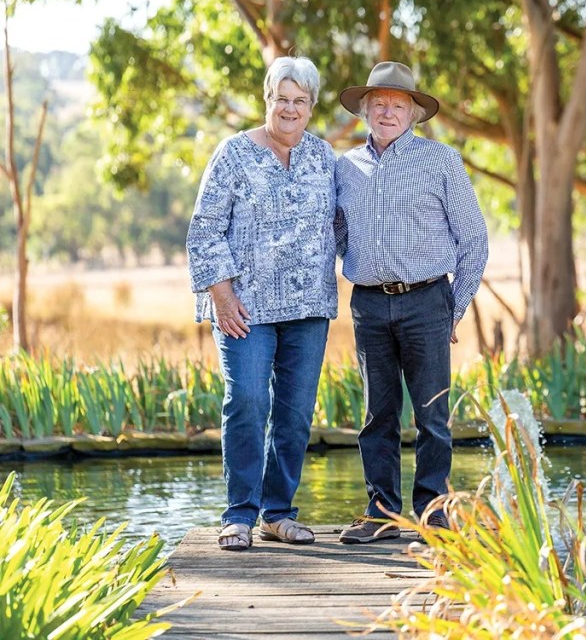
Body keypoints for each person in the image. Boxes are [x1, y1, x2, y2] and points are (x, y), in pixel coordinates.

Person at [186, 56, 338, 551]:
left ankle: (278, 513)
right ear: (267, 100)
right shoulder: (233, 154)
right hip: (244, 309)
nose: (290, 109)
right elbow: (204, 230)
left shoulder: (323, 158)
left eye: (300, 101)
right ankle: (239, 514)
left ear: (311, 106)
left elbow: (341, 223)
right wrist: (222, 295)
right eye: (282, 99)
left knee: (295, 413)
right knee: (248, 402)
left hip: (309, 308)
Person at [334, 61, 488, 543]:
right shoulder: (345, 168)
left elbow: (474, 241)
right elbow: (338, 233)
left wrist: (454, 308)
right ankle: (381, 513)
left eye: (397, 104)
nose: (386, 112)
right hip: (370, 305)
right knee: (376, 415)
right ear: (364, 110)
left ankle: (433, 513)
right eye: (378, 103)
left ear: (414, 114)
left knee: (432, 415)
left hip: (427, 301)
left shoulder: (442, 162)